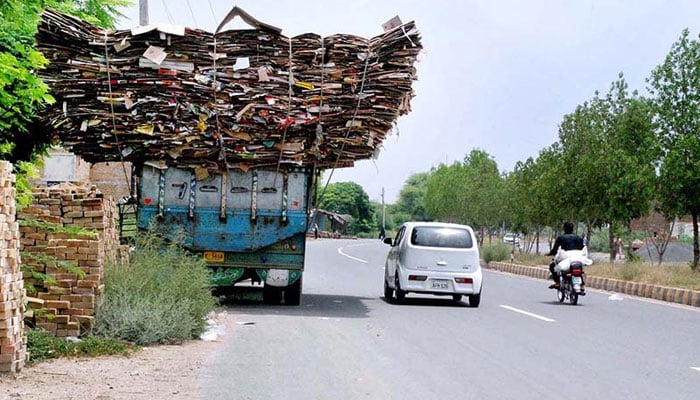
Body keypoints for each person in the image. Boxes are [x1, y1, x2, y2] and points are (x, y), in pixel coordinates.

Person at [547, 221, 584, 289]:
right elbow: (582, 247)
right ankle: (581, 283)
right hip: (577, 256)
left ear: (564, 228)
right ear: (572, 229)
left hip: (566, 257)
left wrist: (550, 253)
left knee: (552, 266)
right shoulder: (578, 238)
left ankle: (558, 283)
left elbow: (555, 249)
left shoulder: (561, 238)